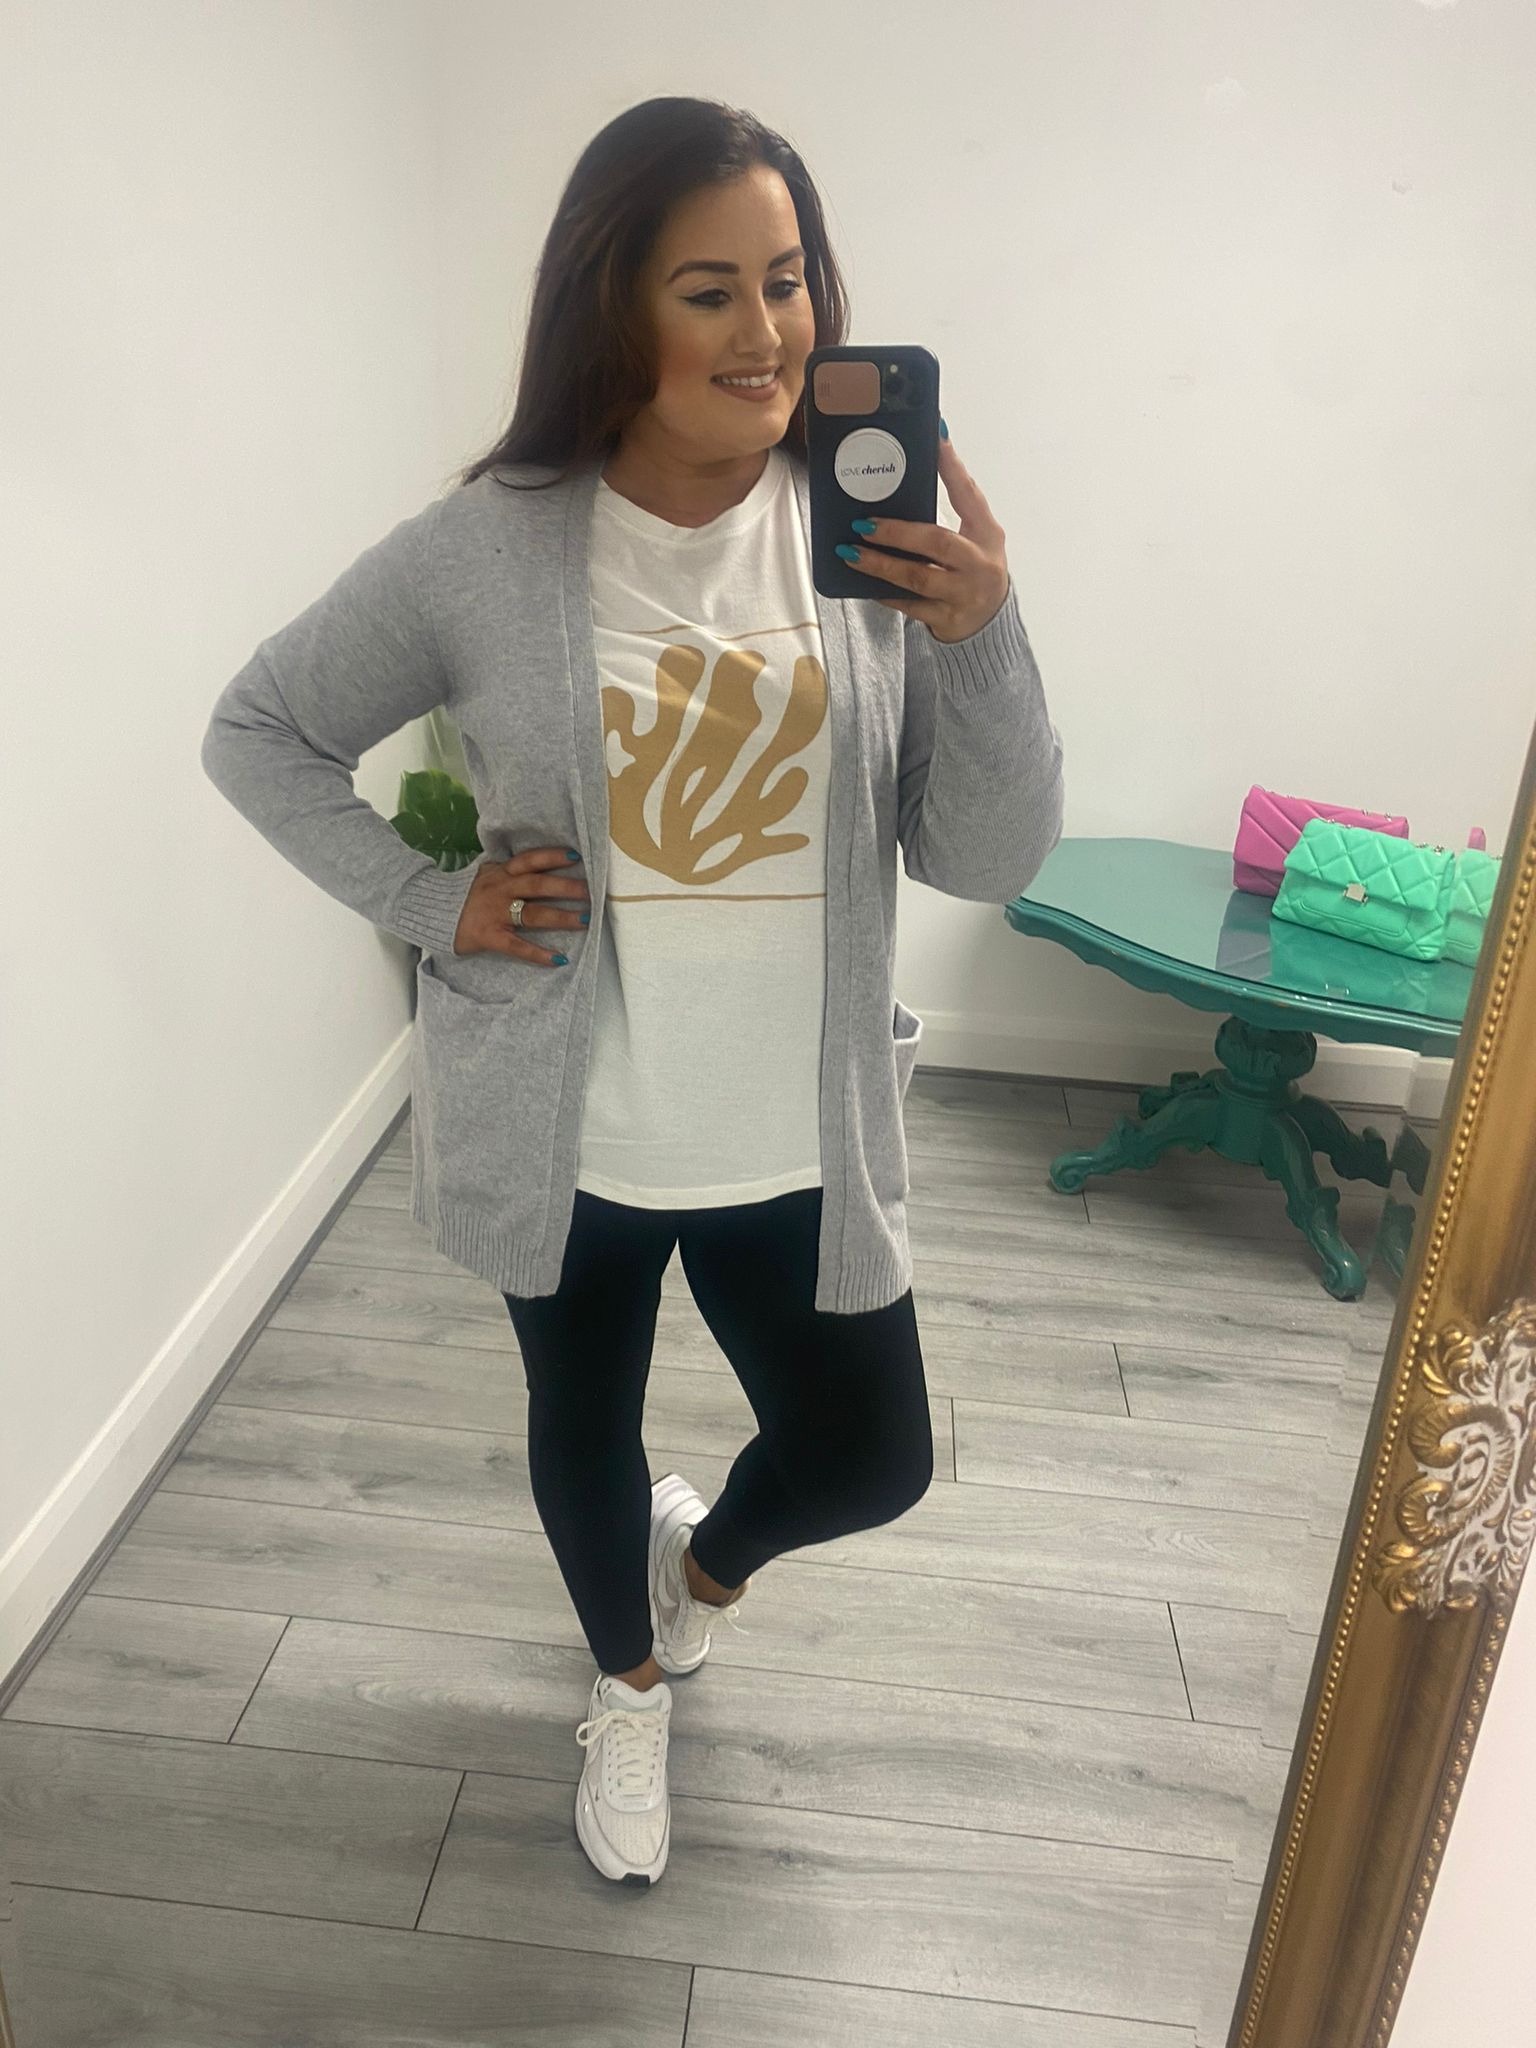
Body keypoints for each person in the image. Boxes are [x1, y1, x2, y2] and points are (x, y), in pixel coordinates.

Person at [201, 95, 1065, 1891]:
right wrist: (435, 901)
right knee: (581, 1425)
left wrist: (985, 637)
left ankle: (703, 1574)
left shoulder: (863, 535)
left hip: (795, 1128)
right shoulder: (486, 547)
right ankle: (626, 1683)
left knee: (873, 1454)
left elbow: (986, 855)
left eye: (789, 279)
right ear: (615, 307)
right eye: (710, 290)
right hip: (571, 1122)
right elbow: (259, 730)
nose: (769, 332)